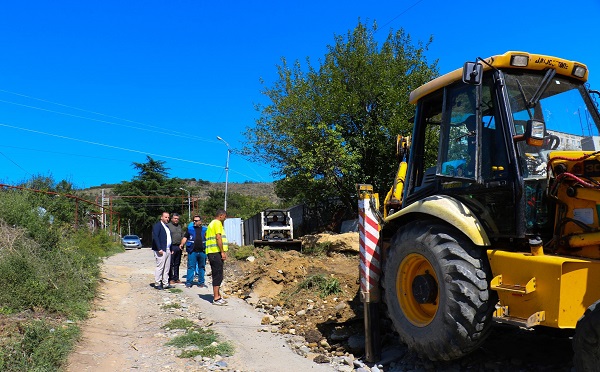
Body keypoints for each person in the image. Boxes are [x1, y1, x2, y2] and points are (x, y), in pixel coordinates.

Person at [205, 209, 228, 305]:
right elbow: (218, 237)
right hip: (215, 253)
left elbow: (205, 235)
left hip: (212, 252)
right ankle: (216, 298)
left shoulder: (211, 224)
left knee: (217, 274)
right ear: (221, 215)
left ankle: (218, 295)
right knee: (218, 274)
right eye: (225, 216)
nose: (225, 218)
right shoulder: (217, 223)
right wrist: (222, 251)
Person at [181, 215, 208, 288]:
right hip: (192, 251)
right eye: (194, 220)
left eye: (196, 220)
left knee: (201, 267)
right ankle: (189, 282)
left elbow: (209, 239)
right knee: (191, 267)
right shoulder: (190, 229)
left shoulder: (205, 230)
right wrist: (182, 244)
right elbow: (185, 237)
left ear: (200, 221)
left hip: (202, 251)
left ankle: (201, 282)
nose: (195, 222)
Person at [151, 211, 172, 290]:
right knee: (160, 267)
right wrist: (159, 248)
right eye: (166, 217)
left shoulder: (167, 226)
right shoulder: (157, 226)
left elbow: (169, 238)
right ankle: (157, 283)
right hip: (161, 250)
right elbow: (155, 237)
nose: (167, 219)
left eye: (168, 217)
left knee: (167, 267)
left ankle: (165, 283)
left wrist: (171, 248)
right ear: (161, 217)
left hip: (167, 249)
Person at [167, 213, 184, 284]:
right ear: (172, 219)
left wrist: (182, 244)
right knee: (171, 263)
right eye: (175, 218)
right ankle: (170, 278)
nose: (176, 220)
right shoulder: (168, 226)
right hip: (172, 246)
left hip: (179, 246)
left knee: (177, 263)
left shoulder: (179, 226)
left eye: (177, 219)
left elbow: (182, 235)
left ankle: (176, 278)